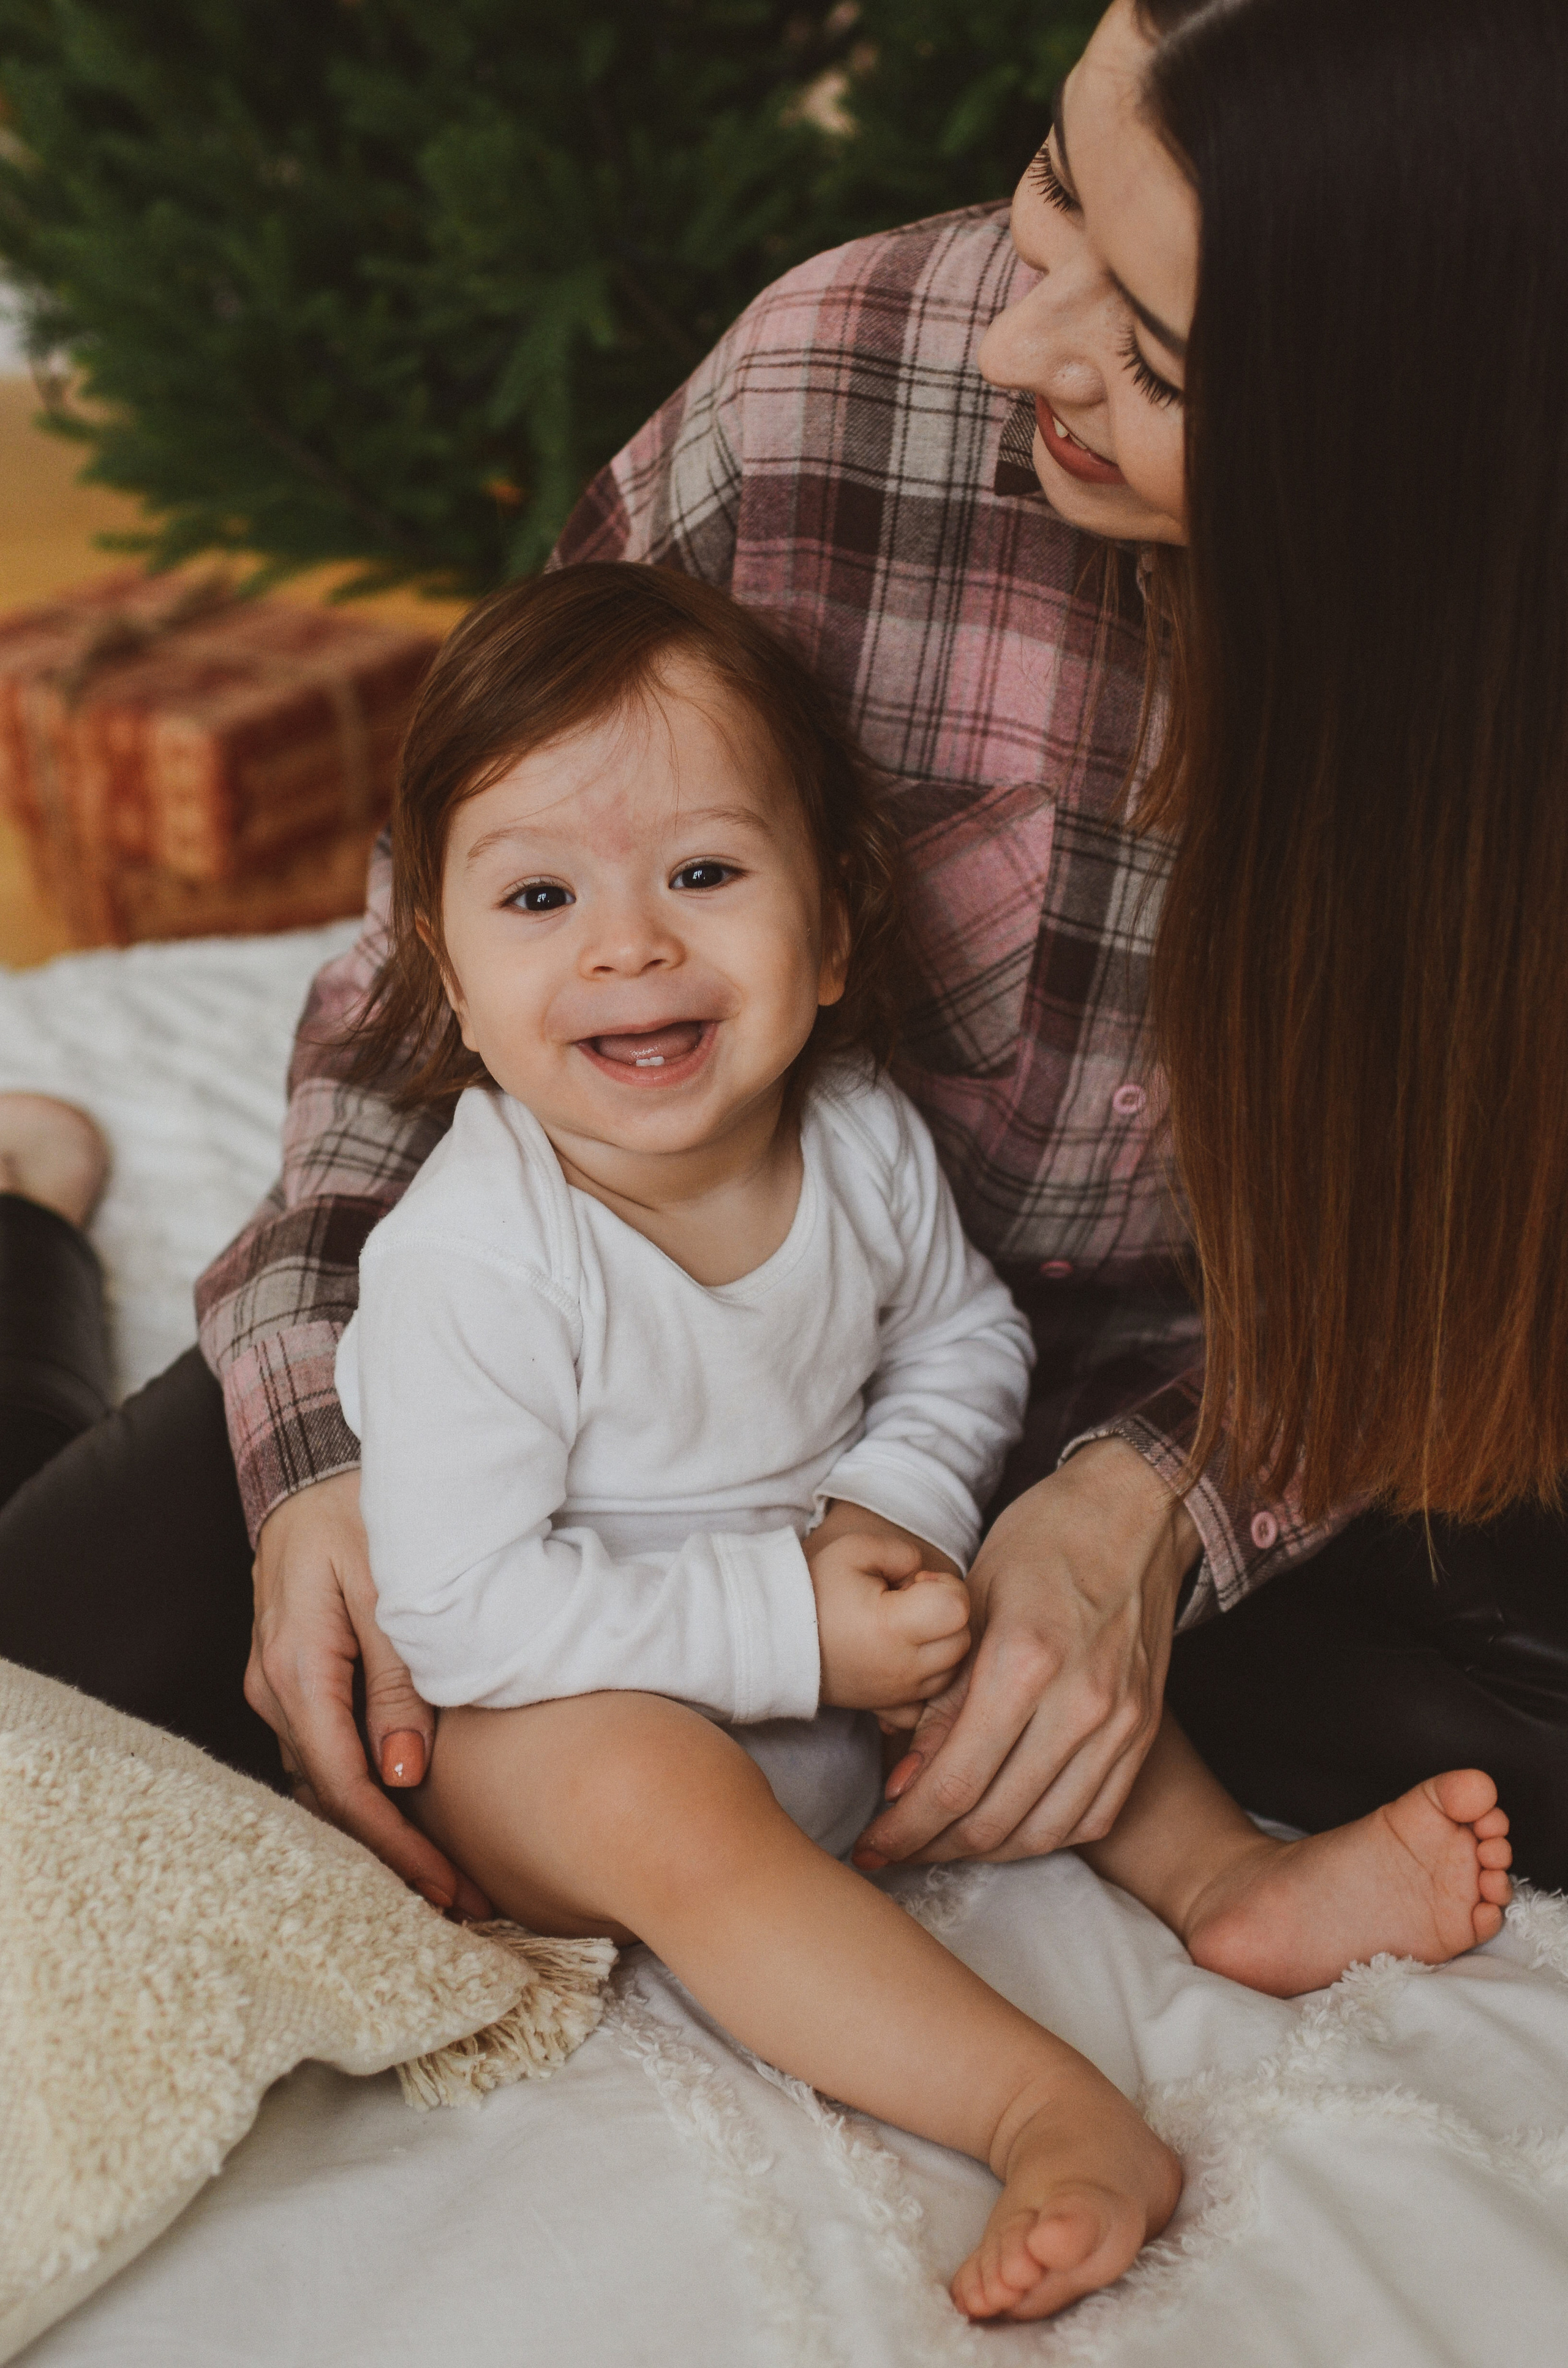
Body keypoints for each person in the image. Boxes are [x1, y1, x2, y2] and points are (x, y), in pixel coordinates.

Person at [2, 0, 1564, 1912]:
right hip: (667, 1350)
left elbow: (1475, 1248)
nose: (1017, 339)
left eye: (1154, 356)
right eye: (1055, 190)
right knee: (48, 1689)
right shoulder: (841, 388)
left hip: (1172, 1383)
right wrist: (321, 1449)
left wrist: (1148, 1511)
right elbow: (441, 959)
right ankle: (24, 1224)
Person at [334, 556, 1508, 2323]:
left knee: (1029, 1608)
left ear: (829, 931)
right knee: (657, 1799)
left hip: (830, 1634)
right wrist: (792, 1625)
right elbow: (468, 1611)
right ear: (447, 958)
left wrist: (896, 1517)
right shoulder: (474, 1259)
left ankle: (1230, 1879)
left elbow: (967, 1339)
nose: (628, 942)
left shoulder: (861, 1139)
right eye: (538, 896)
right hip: (554, 1706)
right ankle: (1040, 2103)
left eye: (705, 875)